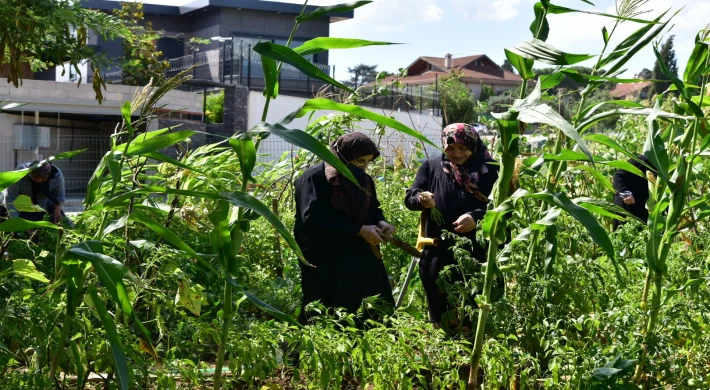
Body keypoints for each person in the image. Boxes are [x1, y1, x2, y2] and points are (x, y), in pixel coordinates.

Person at [293, 132, 396, 325]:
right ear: (342, 156)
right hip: (323, 254)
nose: (363, 167)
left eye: (367, 162)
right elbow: (313, 219)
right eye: (358, 161)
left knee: (371, 300)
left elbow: (373, 209)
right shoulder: (315, 177)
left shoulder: (364, 180)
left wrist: (381, 223)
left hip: (358, 250)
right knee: (325, 307)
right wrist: (359, 230)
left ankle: (367, 349)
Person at [404, 123, 499, 327]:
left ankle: (471, 337)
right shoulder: (432, 166)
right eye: (451, 148)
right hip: (438, 246)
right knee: (437, 294)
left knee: (472, 297)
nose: (456, 153)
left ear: (473, 146)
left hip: (476, 248)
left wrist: (476, 218)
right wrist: (420, 199)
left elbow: (502, 207)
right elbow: (410, 196)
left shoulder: (490, 170)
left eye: (463, 148)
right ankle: (442, 338)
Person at [3, 161, 70, 225]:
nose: (39, 181)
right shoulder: (20, 174)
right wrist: (17, 222)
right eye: (35, 177)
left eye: (43, 178)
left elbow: (59, 195)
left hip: (46, 204)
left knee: (65, 223)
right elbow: (10, 197)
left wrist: (57, 212)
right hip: (25, 207)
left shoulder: (56, 174)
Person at [612, 155, 655, 230]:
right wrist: (626, 193)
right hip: (627, 205)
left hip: (643, 209)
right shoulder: (645, 160)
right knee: (622, 235)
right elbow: (618, 175)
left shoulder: (665, 167)